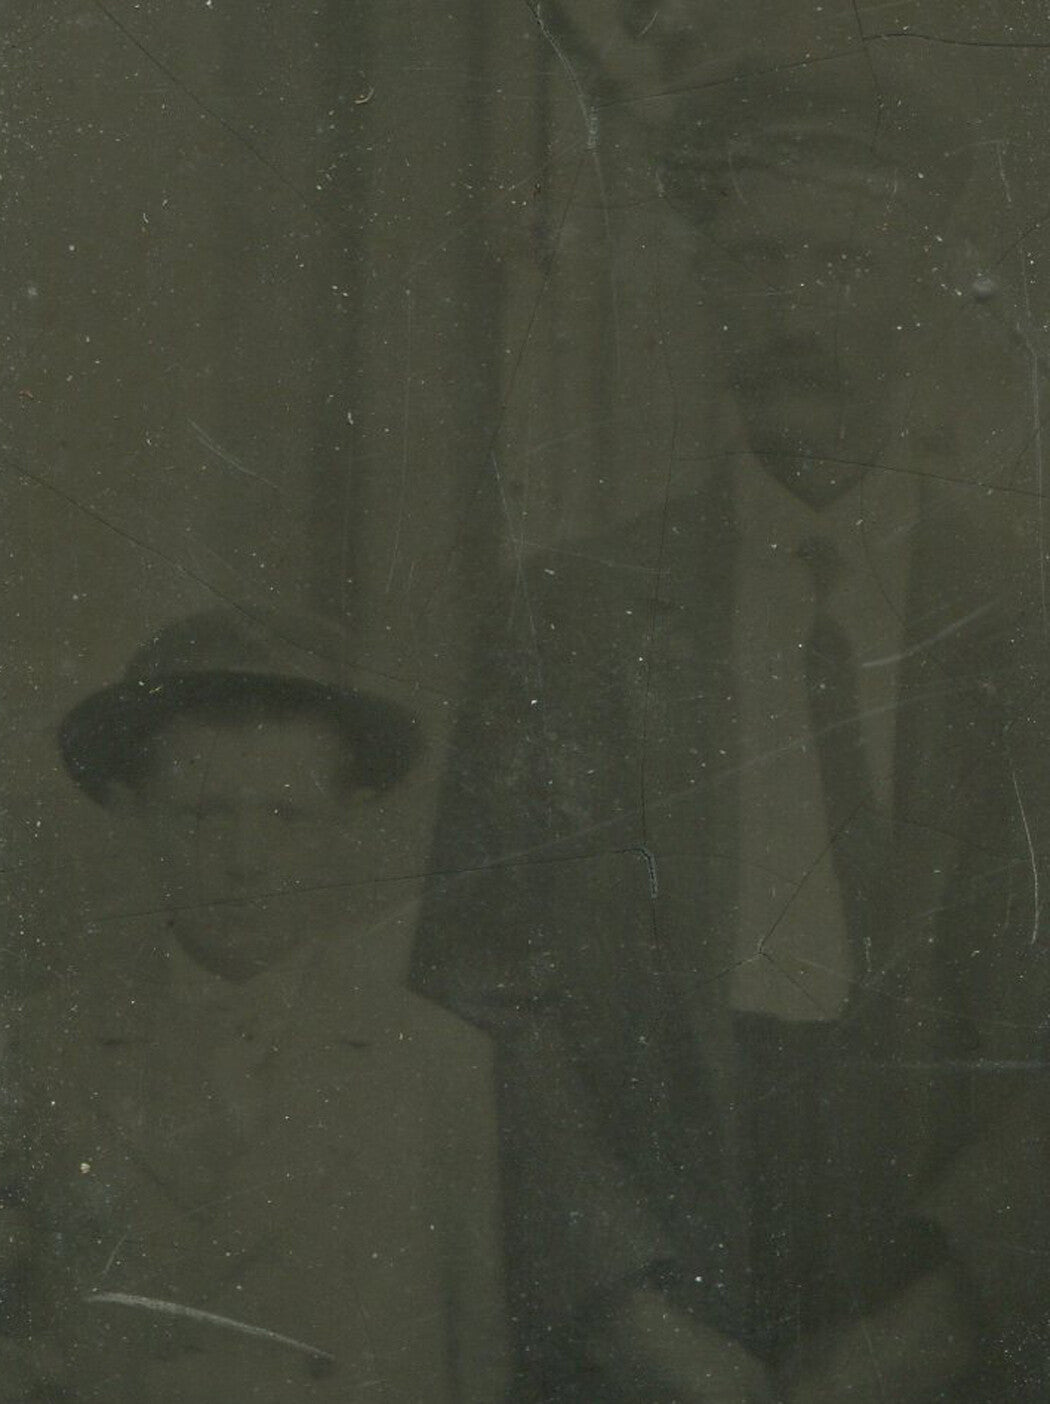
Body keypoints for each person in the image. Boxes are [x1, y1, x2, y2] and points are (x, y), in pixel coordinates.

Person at [415, 50, 1050, 1404]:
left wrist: (940, 1325)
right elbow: (489, 1000)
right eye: (753, 266)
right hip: (653, 1265)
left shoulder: (1026, 621)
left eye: (835, 264)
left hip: (956, 1270)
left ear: (923, 294)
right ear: (704, 296)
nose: (789, 313)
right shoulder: (565, 625)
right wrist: (633, 1322)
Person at [0, 610, 508, 1403]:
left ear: (349, 824)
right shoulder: (38, 1048)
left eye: (286, 816)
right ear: (132, 814)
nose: (245, 862)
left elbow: (475, 1361)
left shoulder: (437, 1063)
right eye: (204, 815)